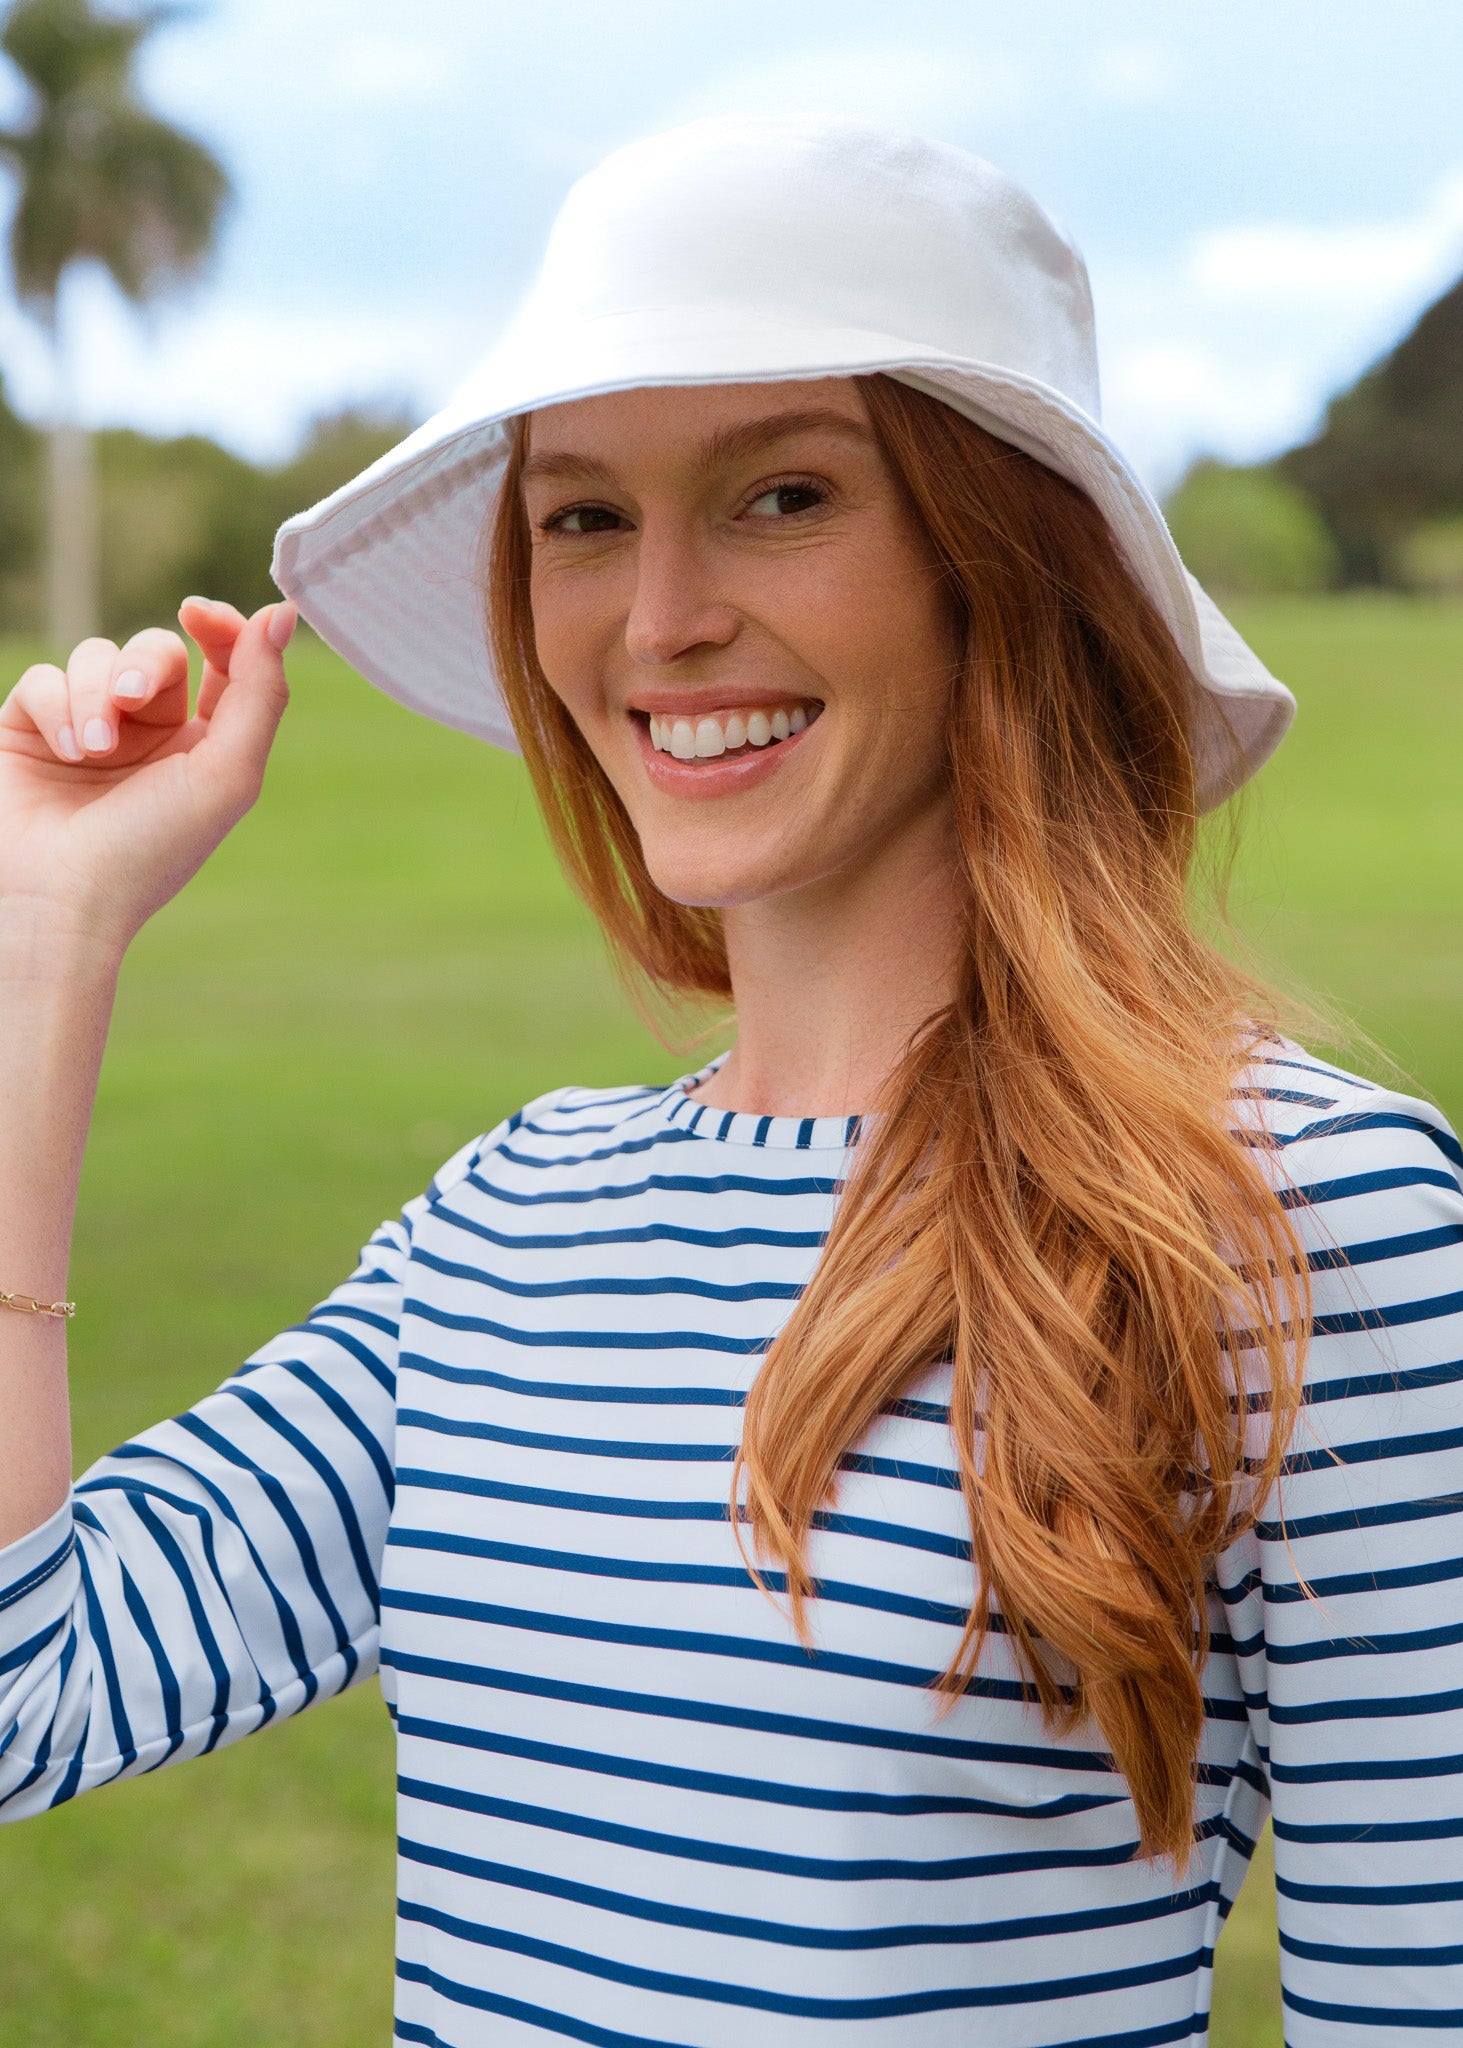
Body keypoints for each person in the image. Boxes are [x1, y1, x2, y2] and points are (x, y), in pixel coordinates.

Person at [0, 116, 1459, 2048]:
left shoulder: (1312, 1223)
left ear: (997, 565)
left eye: (782, 496)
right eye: (584, 517)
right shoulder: (502, 1225)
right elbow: (29, 1703)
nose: (660, 616)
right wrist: (43, 939)